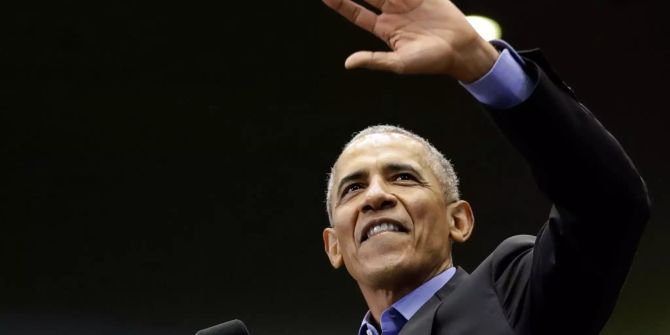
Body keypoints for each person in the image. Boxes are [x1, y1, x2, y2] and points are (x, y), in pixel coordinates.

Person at [320, 0, 651, 334]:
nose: (376, 196)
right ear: (334, 246)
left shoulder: (510, 296)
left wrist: (479, 63)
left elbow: (607, 204)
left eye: (404, 177)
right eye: (353, 188)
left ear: (459, 221)